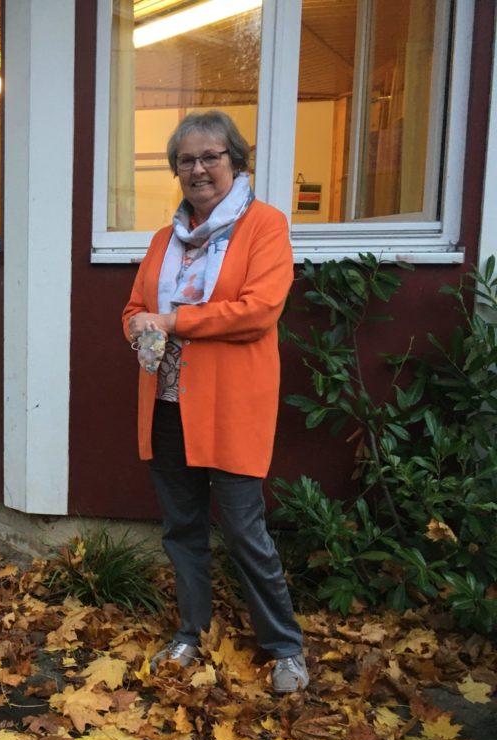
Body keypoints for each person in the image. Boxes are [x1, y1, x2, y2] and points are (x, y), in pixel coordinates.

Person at [121, 110, 308, 693]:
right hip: (169, 405)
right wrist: (140, 329)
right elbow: (133, 310)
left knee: (246, 531)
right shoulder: (162, 241)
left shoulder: (265, 226)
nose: (198, 168)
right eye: (186, 159)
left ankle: (284, 648)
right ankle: (190, 632)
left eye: (211, 157)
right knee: (182, 529)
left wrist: (172, 320)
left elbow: (258, 311)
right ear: (175, 169)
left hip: (230, 407)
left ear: (235, 160)